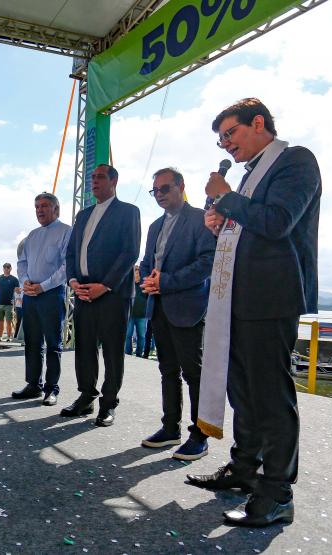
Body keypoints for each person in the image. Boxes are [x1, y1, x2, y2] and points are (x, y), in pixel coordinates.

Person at [186, 98, 321, 527]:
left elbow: (279, 220)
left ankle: (278, 492)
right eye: (221, 138)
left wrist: (226, 201)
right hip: (238, 299)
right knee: (242, 391)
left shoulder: (295, 161)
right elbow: (248, 224)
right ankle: (244, 470)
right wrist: (221, 220)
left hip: (273, 297)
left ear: (258, 123)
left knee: (269, 396)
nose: (225, 144)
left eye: (231, 133)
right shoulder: (247, 177)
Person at [137, 167, 216, 461]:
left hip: (188, 309)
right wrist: (147, 280)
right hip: (158, 307)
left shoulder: (199, 219)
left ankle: (200, 435)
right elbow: (147, 261)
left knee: (193, 374)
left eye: (165, 189)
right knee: (167, 371)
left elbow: (207, 261)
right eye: (155, 191)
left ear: (181, 186)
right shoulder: (155, 226)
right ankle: (170, 428)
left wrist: (165, 281)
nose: (159, 195)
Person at [64, 164, 141, 426]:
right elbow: (72, 253)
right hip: (83, 291)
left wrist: (105, 285)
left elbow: (129, 252)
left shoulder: (128, 212)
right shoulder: (83, 215)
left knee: (111, 351)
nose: (94, 181)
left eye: (99, 177)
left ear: (114, 180)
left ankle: (108, 404)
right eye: (91, 177)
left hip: (112, 294)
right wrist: (73, 280)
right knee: (84, 348)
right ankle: (86, 397)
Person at [12, 192, 71, 406]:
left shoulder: (66, 232)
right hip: (30, 295)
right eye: (37, 206)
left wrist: (43, 287)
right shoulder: (32, 235)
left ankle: (51, 389)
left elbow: (66, 267)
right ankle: (33, 385)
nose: (40, 210)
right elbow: (22, 263)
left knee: (53, 344)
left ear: (56, 209)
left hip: (51, 295)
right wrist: (25, 281)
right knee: (32, 342)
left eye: (45, 205)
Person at [0, 263, 20, 341]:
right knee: (0, 322)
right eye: (5, 267)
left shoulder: (14, 279)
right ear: (3, 268)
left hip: (9, 304)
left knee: (9, 322)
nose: (6, 268)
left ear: (11, 269)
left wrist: (18, 290)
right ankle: (0, 337)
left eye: (8, 267)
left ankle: (8, 337)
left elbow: (17, 291)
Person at [125, 265, 148, 356]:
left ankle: (139, 354)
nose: (136, 276)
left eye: (138, 274)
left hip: (142, 315)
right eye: (135, 274)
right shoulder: (128, 285)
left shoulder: (144, 286)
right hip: (129, 315)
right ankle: (128, 353)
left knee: (141, 336)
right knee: (128, 335)